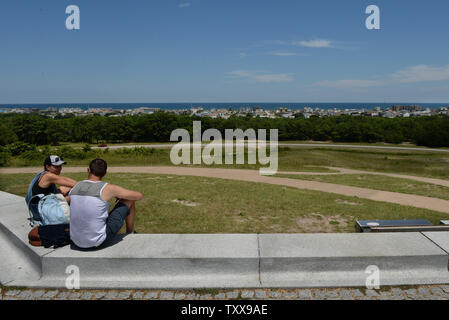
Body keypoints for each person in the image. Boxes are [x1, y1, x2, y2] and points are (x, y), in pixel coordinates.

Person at [69, 158, 143, 249]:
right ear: (105, 173)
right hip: (98, 242)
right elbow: (138, 196)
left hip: (76, 241)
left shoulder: (76, 186)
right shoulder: (108, 188)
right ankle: (130, 233)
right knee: (129, 199)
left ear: (88, 170)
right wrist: (120, 196)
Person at [25, 155, 77, 225]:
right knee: (74, 196)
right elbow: (70, 182)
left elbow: (66, 182)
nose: (60, 168)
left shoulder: (42, 174)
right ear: (48, 167)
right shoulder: (48, 176)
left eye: (60, 166)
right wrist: (86, 185)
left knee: (65, 188)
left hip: (38, 208)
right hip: (40, 212)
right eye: (56, 166)